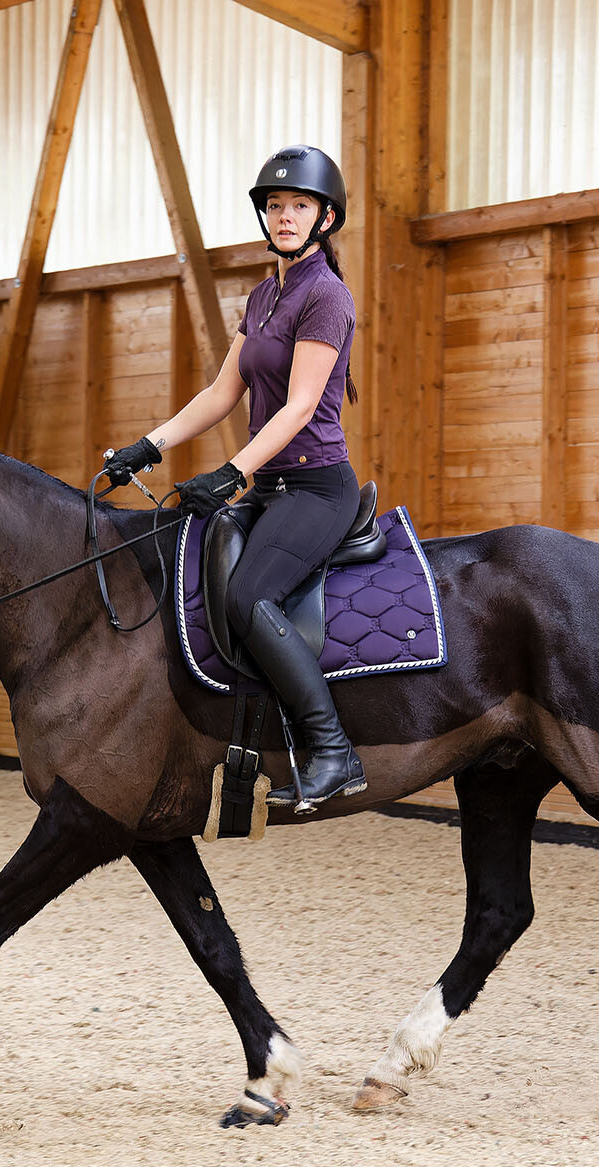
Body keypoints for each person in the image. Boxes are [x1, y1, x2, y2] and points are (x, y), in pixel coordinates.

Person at [102, 145, 365, 812]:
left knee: (249, 596)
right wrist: (146, 446)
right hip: (270, 486)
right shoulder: (262, 296)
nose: (284, 216)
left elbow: (302, 404)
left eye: (299, 206)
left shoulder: (327, 296)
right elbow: (224, 393)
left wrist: (230, 471)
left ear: (325, 218)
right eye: (275, 205)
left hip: (316, 487)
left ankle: (333, 750)